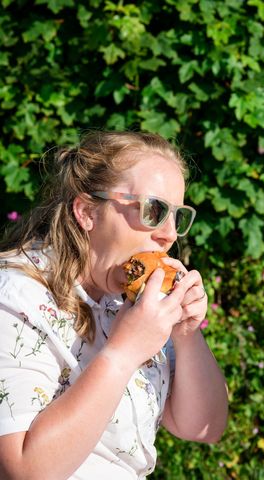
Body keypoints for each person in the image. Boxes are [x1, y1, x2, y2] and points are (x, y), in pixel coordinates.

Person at [0, 131, 228, 479]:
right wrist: (122, 353)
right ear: (88, 211)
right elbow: (23, 470)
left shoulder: (131, 303)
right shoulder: (16, 296)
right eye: (153, 211)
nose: (169, 234)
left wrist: (186, 333)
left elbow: (202, 428)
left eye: (177, 217)